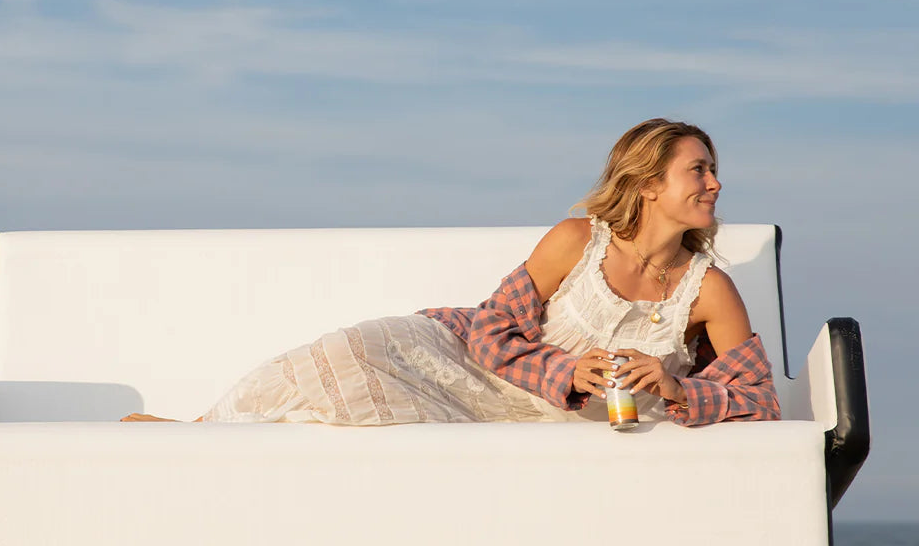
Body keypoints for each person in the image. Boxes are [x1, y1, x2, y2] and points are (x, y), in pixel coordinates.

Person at [123, 118, 780, 427]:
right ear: (647, 184)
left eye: (713, 170)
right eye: (699, 170)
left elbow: (759, 401)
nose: (715, 183)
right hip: (469, 367)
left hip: (545, 423)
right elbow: (492, 329)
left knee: (366, 430)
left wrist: (672, 385)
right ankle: (200, 436)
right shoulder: (577, 242)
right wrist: (566, 371)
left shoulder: (709, 291)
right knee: (348, 354)